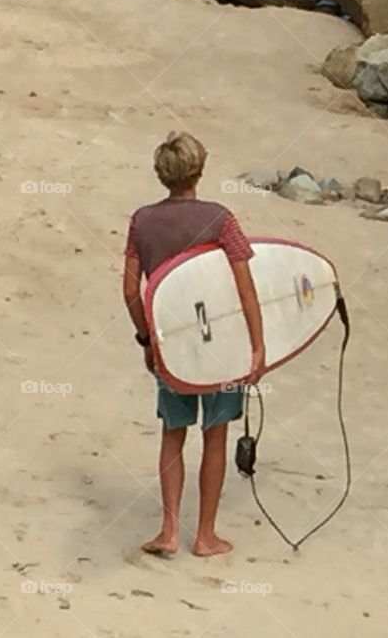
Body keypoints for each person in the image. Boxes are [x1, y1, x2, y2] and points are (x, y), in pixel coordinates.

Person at [122, 131, 266, 557]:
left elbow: (131, 289)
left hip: (172, 343)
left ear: (162, 173)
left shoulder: (142, 221)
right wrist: (257, 347)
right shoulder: (222, 219)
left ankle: (168, 531)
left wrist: (147, 338)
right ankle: (204, 535)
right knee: (216, 434)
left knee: (173, 432)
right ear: (199, 170)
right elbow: (247, 290)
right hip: (220, 344)